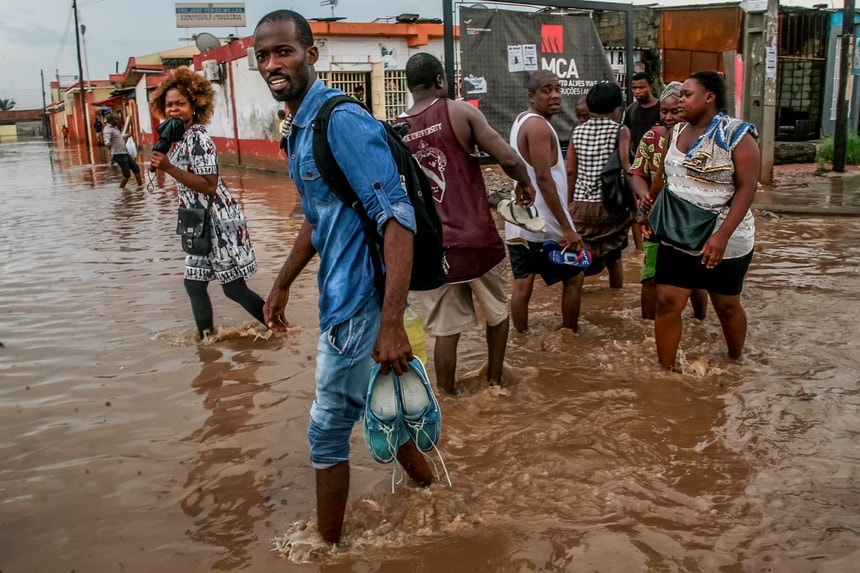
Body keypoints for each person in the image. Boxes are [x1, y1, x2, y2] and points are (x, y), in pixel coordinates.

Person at [252, 10, 434, 544]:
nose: (272, 64)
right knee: (390, 411)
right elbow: (316, 216)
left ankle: (327, 550)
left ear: (312, 54)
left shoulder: (341, 121)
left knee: (327, 430)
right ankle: (437, 497)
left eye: (283, 51)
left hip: (361, 304)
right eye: (263, 55)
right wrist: (283, 281)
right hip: (341, 298)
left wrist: (392, 322)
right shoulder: (300, 128)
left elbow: (397, 217)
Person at [393, 53, 536, 394]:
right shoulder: (459, 111)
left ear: (410, 87)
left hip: (430, 250)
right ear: (440, 80)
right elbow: (508, 158)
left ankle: (448, 397)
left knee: (445, 331)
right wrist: (523, 183)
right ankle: (495, 384)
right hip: (477, 241)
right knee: (498, 316)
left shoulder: (395, 130)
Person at [647, 71, 759, 370]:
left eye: (687, 94)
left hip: (725, 237)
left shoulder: (737, 135)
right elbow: (664, 175)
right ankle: (665, 374)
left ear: (709, 97)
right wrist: (649, 208)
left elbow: (748, 188)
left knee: (725, 304)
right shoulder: (676, 131)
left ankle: (736, 362)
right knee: (667, 301)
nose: (679, 99)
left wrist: (721, 236)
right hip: (677, 232)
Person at [149, 66, 267, 341]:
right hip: (197, 220)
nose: (174, 110)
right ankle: (207, 343)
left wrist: (168, 167)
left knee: (233, 289)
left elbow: (209, 185)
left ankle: (279, 328)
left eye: (180, 103)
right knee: (194, 284)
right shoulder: (178, 139)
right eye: (169, 105)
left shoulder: (199, 138)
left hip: (218, 220)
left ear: (194, 105)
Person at [505, 71, 585, 333]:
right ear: (532, 96)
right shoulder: (539, 126)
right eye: (546, 90)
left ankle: (521, 339)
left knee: (522, 285)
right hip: (546, 224)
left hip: (519, 223)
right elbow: (543, 178)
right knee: (575, 278)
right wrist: (566, 226)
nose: (555, 95)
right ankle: (569, 336)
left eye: (557, 89)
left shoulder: (521, 120)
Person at [629, 81, 707, 321]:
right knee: (650, 274)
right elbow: (637, 173)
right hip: (656, 217)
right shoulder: (652, 138)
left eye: (675, 111)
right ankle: (647, 328)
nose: (669, 117)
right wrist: (643, 195)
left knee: (694, 278)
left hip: (690, 218)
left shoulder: (701, 139)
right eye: (664, 111)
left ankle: (699, 321)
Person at [566, 81, 631, 289]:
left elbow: (570, 171)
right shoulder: (621, 131)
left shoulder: (577, 132)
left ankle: (574, 303)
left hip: (581, 207)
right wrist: (635, 208)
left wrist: (569, 204)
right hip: (609, 207)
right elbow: (626, 170)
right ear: (616, 108)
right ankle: (616, 297)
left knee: (576, 260)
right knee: (615, 256)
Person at [101, 113, 142, 188]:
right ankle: (122, 190)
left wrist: (126, 135)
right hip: (118, 154)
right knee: (127, 174)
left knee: (136, 169)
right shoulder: (107, 129)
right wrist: (108, 144)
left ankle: (140, 187)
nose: (117, 121)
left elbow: (118, 137)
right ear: (112, 120)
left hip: (124, 152)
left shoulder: (115, 128)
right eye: (116, 120)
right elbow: (106, 139)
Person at [623, 71, 660, 151]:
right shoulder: (630, 110)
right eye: (634, 88)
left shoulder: (662, 109)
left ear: (651, 87)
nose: (637, 91)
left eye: (641, 87)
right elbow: (629, 136)